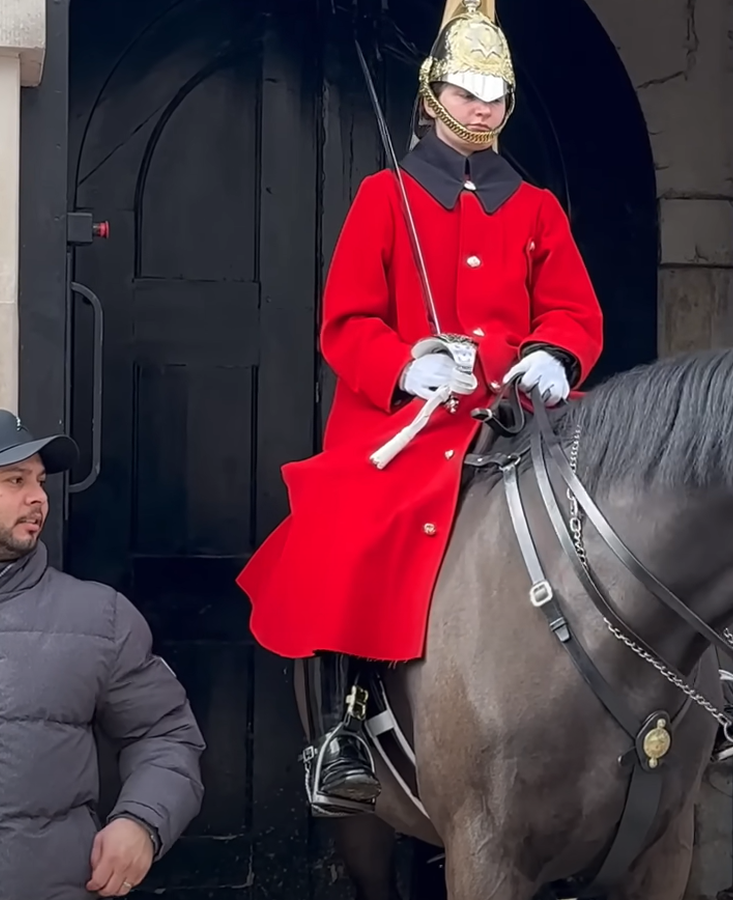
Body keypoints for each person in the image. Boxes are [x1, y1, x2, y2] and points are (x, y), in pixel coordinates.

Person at [235, 0, 605, 817]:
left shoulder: (537, 207)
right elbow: (347, 322)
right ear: (434, 94)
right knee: (344, 524)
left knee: (628, 510)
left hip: (519, 412)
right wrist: (406, 362)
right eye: (467, 92)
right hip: (410, 422)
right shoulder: (383, 196)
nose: (481, 108)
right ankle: (344, 725)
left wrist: (554, 354)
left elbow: (574, 311)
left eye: (494, 94)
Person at [0, 409, 205, 899]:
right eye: (14, 480)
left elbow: (165, 735)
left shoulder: (99, 617)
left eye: (39, 480)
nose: (37, 498)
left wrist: (141, 821)